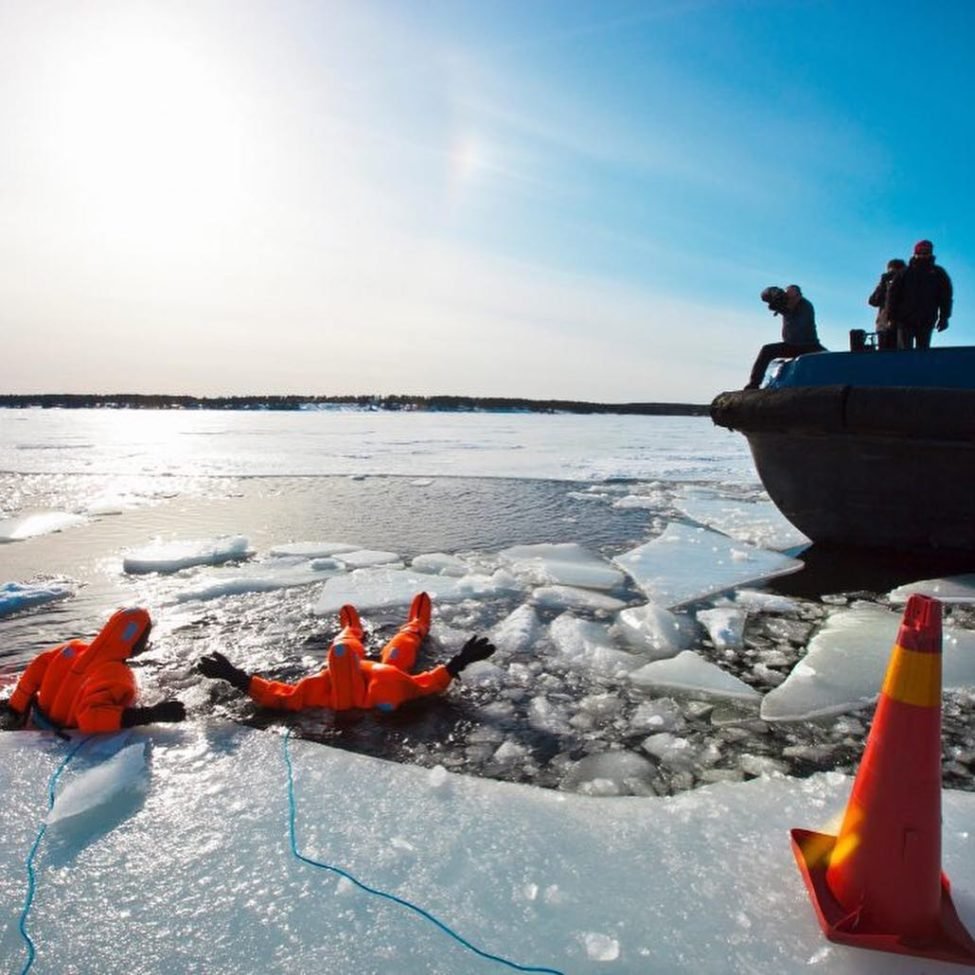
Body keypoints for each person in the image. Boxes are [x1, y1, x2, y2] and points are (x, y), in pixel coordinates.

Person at [197, 592, 496, 713]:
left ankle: (416, 623)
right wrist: (233, 676)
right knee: (347, 645)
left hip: (382, 672)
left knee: (402, 647)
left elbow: (424, 684)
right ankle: (351, 627)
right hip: (371, 672)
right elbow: (277, 694)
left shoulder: (385, 686)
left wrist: (459, 662)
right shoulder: (317, 687)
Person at [0, 607, 186, 734]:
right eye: (145, 638)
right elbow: (90, 718)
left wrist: (15, 709)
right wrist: (150, 714)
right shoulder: (116, 674)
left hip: (32, 721)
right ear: (134, 641)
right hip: (63, 739)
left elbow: (34, 670)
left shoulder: (72, 649)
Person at [745, 284, 826, 389]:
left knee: (829, 358)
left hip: (809, 346)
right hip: (791, 346)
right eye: (788, 297)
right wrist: (774, 292)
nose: (790, 300)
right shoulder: (784, 304)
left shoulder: (805, 306)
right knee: (766, 350)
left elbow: (799, 329)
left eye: (794, 297)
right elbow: (764, 295)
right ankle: (754, 384)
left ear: (799, 296)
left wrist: (782, 308)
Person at [885, 239, 953, 350]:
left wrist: (944, 318)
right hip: (904, 320)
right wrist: (891, 318)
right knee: (905, 352)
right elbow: (892, 296)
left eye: (926, 252)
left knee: (923, 352)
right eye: (920, 251)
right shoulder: (904, 273)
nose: (923, 254)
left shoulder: (938, 273)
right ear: (915, 253)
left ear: (931, 253)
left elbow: (945, 297)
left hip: (927, 320)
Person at [868, 258, 906, 350]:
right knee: (884, 350)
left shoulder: (906, 284)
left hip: (901, 323)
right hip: (884, 324)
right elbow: (873, 301)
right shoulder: (885, 284)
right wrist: (882, 284)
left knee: (900, 349)